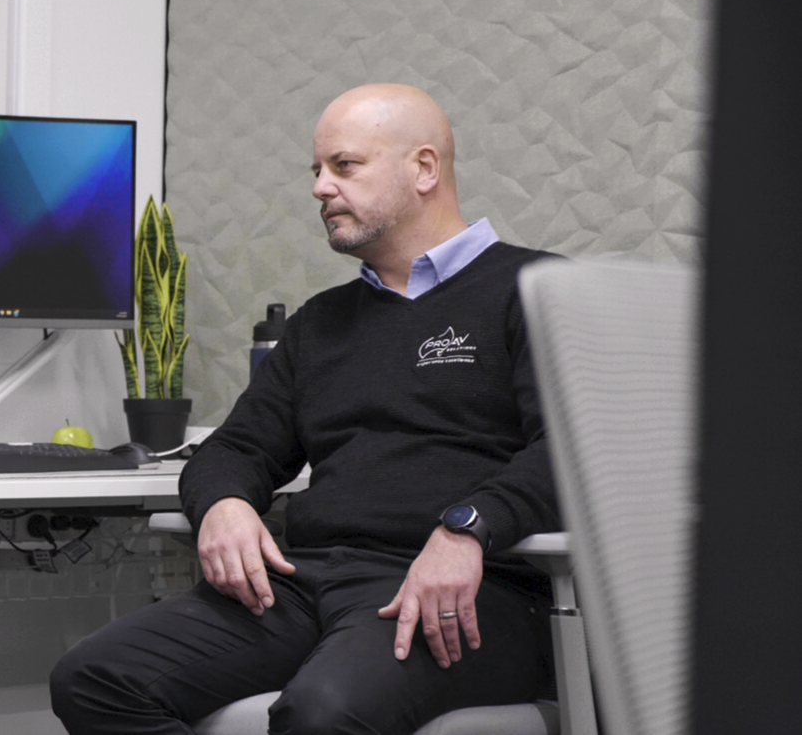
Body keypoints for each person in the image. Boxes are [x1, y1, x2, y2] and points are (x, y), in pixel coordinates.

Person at [50, 84, 560, 735]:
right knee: (93, 677)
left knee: (319, 714)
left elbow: (571, 454)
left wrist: (468, 528)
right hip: (303, 583)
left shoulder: (536, 291)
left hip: (468, 590)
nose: (320, 187)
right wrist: (223, 504)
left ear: (424, 168)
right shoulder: (320, 324)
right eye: (316, 170)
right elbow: (236, 448)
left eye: (344, 165)